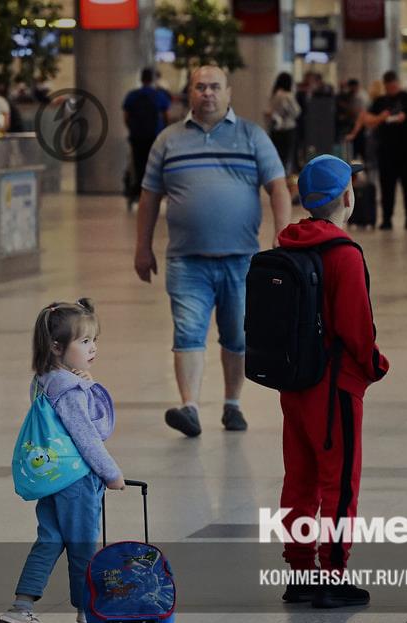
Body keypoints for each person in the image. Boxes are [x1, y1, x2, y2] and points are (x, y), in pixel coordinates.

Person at [134, 65, 291, 437]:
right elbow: (149, 196)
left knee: (237, 335)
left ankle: (232, 404)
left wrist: (282, 233)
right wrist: (142, 247)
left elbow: (278, 187)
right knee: (188, 332)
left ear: (228, 92)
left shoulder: (252, 136)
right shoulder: (168, 140)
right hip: (186, 259)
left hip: (241, 259)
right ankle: (189, 407)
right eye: (200, 87)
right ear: (189, 93)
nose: (208, 93)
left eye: (215, 87)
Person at [274, 156, 389, 609]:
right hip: (335, 384)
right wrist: (374, 364)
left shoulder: (289, 244)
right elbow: (357, 327)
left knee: (300, 477)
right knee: (339, 480)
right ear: (347, 196)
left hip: (294, 382)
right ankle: (333, 574)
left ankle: (302, 571)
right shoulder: (344, 253)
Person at [0, 300, 126, 623]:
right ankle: (88, 617)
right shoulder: (70, 389)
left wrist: (87, 385)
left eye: (94, 340)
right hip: (77, 480)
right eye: (84, 341)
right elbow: (91, 435)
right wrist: (111, 473)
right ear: (57, 347)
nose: (93, 348)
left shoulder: (43, 381)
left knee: (50, 539)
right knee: (83, 547)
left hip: (52, 477)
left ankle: (21, 606)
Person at [362, 71, 407, 230]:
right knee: (386, 188)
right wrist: (381, 117)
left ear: (398, 83)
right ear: (385, 86)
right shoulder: (380, 102)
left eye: (394, 85)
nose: (392, 88)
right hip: (386, 153)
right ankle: (387, 219)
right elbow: (368, 121)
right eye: (389, 86)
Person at [122, 68, 172, 209]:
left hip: (137, 137)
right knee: (155, 165)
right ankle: (153, 191)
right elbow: (166, 116)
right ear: (153, 79)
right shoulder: (159, 95)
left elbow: (126, 116)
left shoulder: (132, 95)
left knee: (138, 164)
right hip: (155, 137)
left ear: (141, 79)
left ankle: (136, 191)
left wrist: (132, 129)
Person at [267, 73, 302, 176]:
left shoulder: (274, 94)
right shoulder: (287, 95)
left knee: (277, 155)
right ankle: (286, 176)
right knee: (288, 156)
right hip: (288, 128)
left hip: (275, 129)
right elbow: (296, 111)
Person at [335, 79, 367, 159]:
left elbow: (360, 114)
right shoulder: (347, 96)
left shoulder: (360, 97)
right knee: (351, 150)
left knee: (358, 149)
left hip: (358, 126)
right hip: (349, 125)